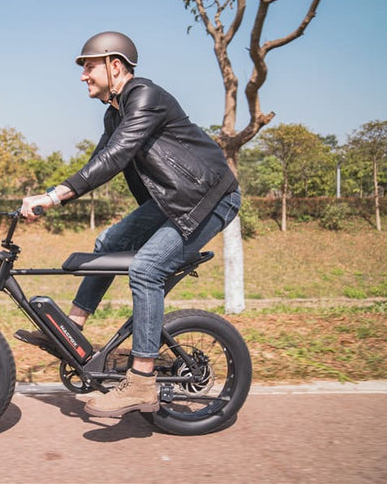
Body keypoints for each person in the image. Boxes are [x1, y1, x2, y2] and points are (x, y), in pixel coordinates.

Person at [17, 31, 241, 418]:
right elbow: (98, 162)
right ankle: (71, 332)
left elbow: (117, 157)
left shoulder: (145, 97)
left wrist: (53, 197)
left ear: (115, 65)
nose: (83, 75)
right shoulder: (115, 113)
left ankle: (141, 382)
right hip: (173, 200)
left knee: (146, 268)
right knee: (108, 242)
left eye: (89, 67)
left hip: (209, 198)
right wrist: (54, 196)